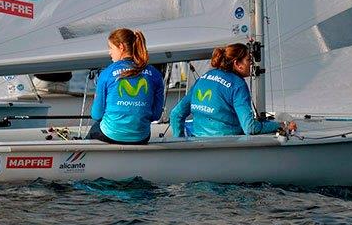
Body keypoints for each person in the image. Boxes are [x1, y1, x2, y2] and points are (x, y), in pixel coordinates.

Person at [169, 43, 297, 138]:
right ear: (237, 63)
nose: (252, 64)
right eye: (248, 60)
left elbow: (175, 114)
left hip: (198, 147)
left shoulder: (203, 79)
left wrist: (180, 142)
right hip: (227, 149)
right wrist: (280, 125)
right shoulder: (238, 85)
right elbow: (250, 128)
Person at [86, 29, 165, 144]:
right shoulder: (155, 74)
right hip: (141, 137)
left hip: (111, 135)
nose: (109, 53)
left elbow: (97, 115)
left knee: (94, 129)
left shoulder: (107, 73)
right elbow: (156, 116)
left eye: (111, 48)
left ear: (121, 47)